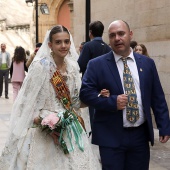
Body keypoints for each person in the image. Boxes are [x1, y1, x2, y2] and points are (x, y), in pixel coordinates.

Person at [0, 25, 101, 170]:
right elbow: (26, 104)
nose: (63, 45)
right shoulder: (40, 67)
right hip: (43, 131)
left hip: (69, 127)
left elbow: (74, 102)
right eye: (58, 42)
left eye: (66, 42)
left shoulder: (72, 67)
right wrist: (44, 121)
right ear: (50, 45)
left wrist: (97, 97)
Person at [80, 20, 170, 170]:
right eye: (112, 35)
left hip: (140, 136)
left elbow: (157, 97)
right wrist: (112, 102)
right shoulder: (96, 64)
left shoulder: (147, 64)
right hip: (111, 136)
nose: (117, 38)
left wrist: (164, 126)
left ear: (130, 34)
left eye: (121, 33)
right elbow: (85, 93)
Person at [78, 20, 111, 135]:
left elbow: (81, 64)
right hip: (106, 83)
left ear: (90, 32)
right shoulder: (108, 48)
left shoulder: (88, 46)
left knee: (92, 107)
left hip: (91, 83)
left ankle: (95, 129)